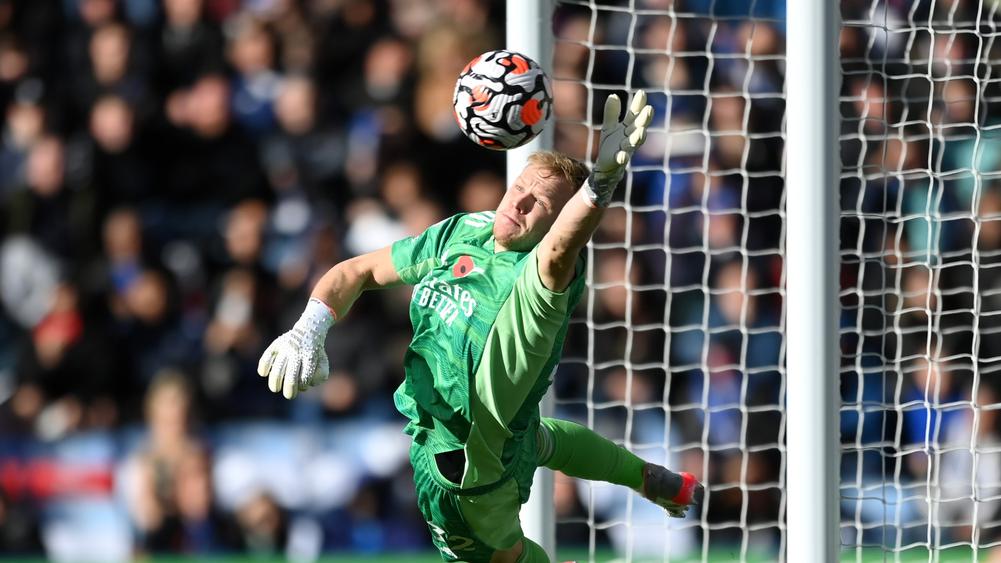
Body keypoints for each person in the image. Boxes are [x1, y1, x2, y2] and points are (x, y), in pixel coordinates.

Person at [257, 91, 703, 563]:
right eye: (520, 189)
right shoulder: (465, 231)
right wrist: (310, 326)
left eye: (540, 204)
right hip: (498, 435)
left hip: (464, 470)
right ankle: (645, 476)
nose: (521, 203)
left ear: (557, 222)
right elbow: (357, 271)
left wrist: (598, 188)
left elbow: (558, 252)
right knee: (535, 438)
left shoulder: (542, 280)